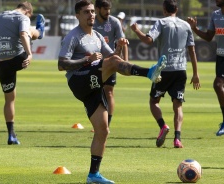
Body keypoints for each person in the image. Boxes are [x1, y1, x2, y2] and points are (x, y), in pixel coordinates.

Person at [58, 0, 167, 183]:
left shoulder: (98, 37)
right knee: (114, 64)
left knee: (103, 130)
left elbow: (111, 57)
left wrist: (118, 46)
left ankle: (93, 175)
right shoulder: (73, 37)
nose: (91, 14)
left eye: (92, 11)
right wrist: (86, 60)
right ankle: (149, 72)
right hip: (79, 80)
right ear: (78, 15)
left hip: (93, 86)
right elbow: (62, 64)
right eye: (86, 12)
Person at [131, 0, 200, 148]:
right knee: (178, 106)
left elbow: (148, 40)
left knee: (154, 102)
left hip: (163, 70)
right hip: (181, 70)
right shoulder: (186, 25)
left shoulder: (161, 23)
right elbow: (192, 50)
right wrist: (196, 73)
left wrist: (136, 30)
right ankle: (177, 138)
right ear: (177, 9)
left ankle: (163, 126)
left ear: (164, 9)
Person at [0, 1, 45, 145]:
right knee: (29, 31)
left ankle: (11, 135)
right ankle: (40, 31)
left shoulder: (0, 16)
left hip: (2, 62)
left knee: (9, 99)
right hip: (18, 58)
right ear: (28, 11)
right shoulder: (23, 18)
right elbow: (23, 33)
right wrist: (29, 54)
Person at [187, 0, 224, 136]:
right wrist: (195, 28)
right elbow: (209, 37)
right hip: (221, 57)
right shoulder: (215, 15)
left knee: (218, 85)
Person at [93, 0, 128, 130]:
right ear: (97, 9)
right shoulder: (91, 21)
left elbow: (122, 41)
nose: (108, 12)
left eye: (109, 9)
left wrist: (126, 61)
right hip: (94, 61)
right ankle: (98, 120)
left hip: (110, 60)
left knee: (109, 92)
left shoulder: (114, 22)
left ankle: (107, 122)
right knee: (95, 92)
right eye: (104, 9)